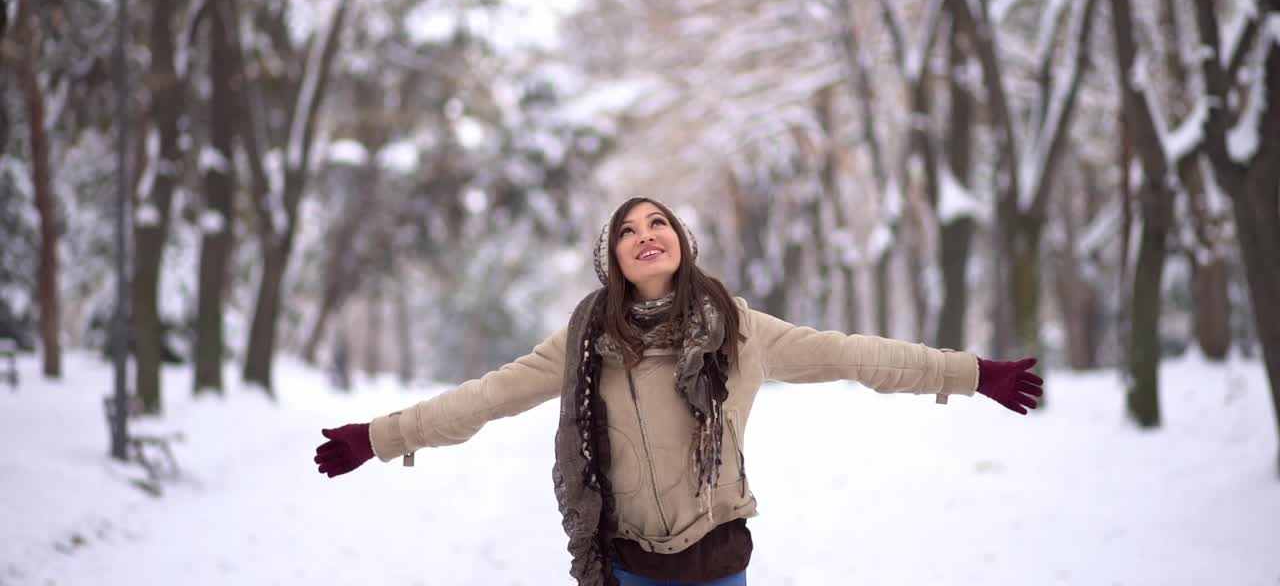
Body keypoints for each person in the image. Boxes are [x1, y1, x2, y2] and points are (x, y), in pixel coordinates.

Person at [314, 197, 1043, 586]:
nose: (645, 234)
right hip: (627, 566)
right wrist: (381, 437)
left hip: (717, 562)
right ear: (614, 261)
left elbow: (857, 356)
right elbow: (484, 397)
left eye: (657, 222)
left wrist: (972, 373)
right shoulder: (584, 343)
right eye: (627, 231)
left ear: (681, 242)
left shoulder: (739, 330)